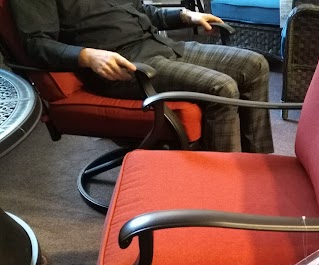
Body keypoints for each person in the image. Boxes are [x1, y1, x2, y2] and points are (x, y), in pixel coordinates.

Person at [9, 0, 274, 153]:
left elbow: (142, 13)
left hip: (159, 45)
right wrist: (87, 56)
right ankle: (223, 183)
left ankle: (257, 163)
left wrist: (185, 15)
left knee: (255, 65)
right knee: (222, 87)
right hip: (123, 66)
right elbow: (36, 43)